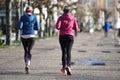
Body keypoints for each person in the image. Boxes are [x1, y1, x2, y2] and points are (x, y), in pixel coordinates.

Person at [56, 6, 80, 75]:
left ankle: (64, 67)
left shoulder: (60, 18)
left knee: (64, 52)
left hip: (62, 36)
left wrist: (62, 27)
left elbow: (57, 27)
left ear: (63, 11)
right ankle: (69, 66)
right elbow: (76, 28)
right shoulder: (73, 18)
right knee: (69, 51)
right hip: (70, 36)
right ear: (69, 11)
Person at [18, 6, 40, 74]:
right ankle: (28, 63)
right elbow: (38, 27)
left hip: (24, 36)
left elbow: (20, 27)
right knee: (29, 50)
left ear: (25, 11)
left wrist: (24, 27)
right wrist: (33, 28)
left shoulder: (22, 17)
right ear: (31, 11)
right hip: (32, 36)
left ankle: (26, 65)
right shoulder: (34, 17)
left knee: (26, 50)